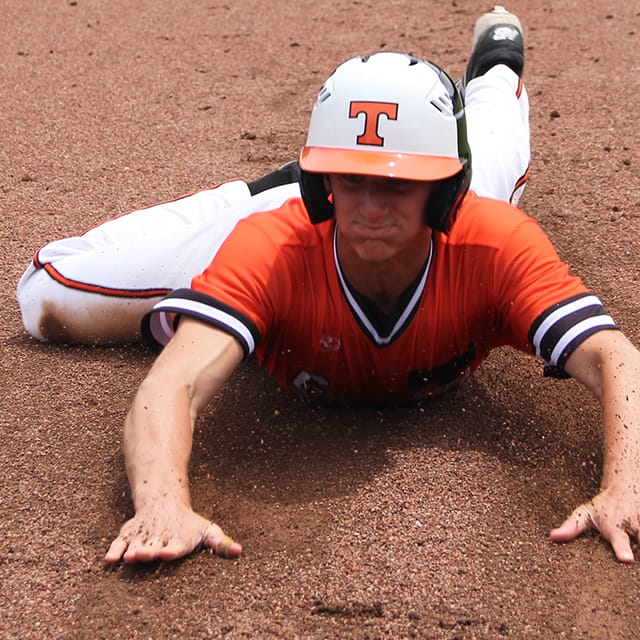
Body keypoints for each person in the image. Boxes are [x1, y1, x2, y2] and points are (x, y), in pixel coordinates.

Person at [17, 7, 640, 565]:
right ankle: (255, 194)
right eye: (350, 179)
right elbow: (169, 384)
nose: (371, 206)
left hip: (463, 202)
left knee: (496, 136)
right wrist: (160, 504)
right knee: (46, 297)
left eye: (397, 184)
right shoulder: (272, 249)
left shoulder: (492, 242)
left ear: (444, 190)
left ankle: (497, 63)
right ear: (324, 185)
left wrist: (626, 490)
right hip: (276, 223)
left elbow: (616, 356)